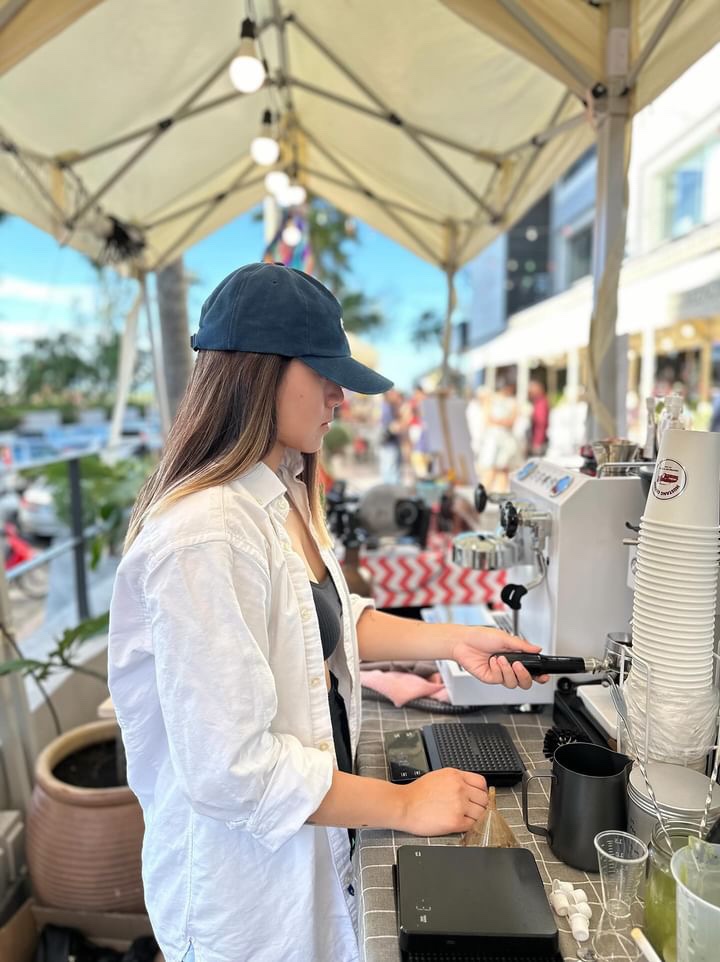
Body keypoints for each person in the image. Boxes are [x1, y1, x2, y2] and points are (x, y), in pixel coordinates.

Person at [107, 263, 547, 962]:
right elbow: (231, 770)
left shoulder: (277, 488)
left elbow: (330, 619)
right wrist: (403, 804)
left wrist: (454, 640)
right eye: (325, 374)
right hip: (245, 900)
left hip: (312, 854)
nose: (341, 397)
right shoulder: (205, 534)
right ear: (258, 374)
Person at [480, 380, 520, 491]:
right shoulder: (491, 400)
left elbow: (512, 421)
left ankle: (499, 499)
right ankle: (481, 499)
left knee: (503, 470)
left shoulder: (512, 402)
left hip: (505, 440)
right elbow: (487, 419)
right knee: (490, 470)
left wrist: (498, 421)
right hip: (493, 440)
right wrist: (503, 421)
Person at [378, 387, 404, 484]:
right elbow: (393, 427)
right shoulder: (387, 407)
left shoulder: (388, 406)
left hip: (389, 443)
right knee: (391, 472)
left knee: (390, 471)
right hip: (389, 443)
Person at [527, 379, 550, 457]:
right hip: (539, 440)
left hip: (540, 441)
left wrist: (537, 442)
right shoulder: (538, 402)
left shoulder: (541, 403)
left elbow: (541, 424)